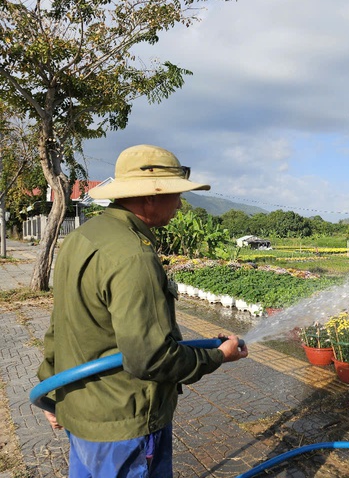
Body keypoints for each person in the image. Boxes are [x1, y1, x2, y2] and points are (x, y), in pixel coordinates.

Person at [37, 144, 249, 477]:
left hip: (80, 410)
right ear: (149, 197)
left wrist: (51, 388)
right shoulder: (134, 255)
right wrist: (218, 356)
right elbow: (151, 358)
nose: (180, 203)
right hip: (123, 425)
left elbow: (61, 326)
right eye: (175, 194)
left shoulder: (83, 238)